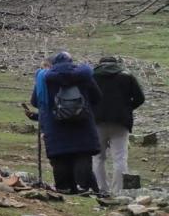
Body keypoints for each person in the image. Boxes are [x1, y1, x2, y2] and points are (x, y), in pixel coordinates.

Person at [28, 51, 102, 193]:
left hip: (54, 125)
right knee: (82, 154)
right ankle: (84, 187)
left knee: (60, 156)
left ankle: (64, 188)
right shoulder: (84, 76)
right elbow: (97, 97)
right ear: (71, 62)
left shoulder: (44, 78)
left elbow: (36, 102)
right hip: (82, 124)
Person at [90, 54, 145, 195]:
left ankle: (101, 189)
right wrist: (127, 108)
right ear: (116, 64)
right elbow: (140, 98)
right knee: (120, 157)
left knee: (97, 157)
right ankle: (117, 191)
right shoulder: (127, 76)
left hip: (97, 121)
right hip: (121, 121)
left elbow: (85, 97)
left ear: (100, 64)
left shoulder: (92, 76)